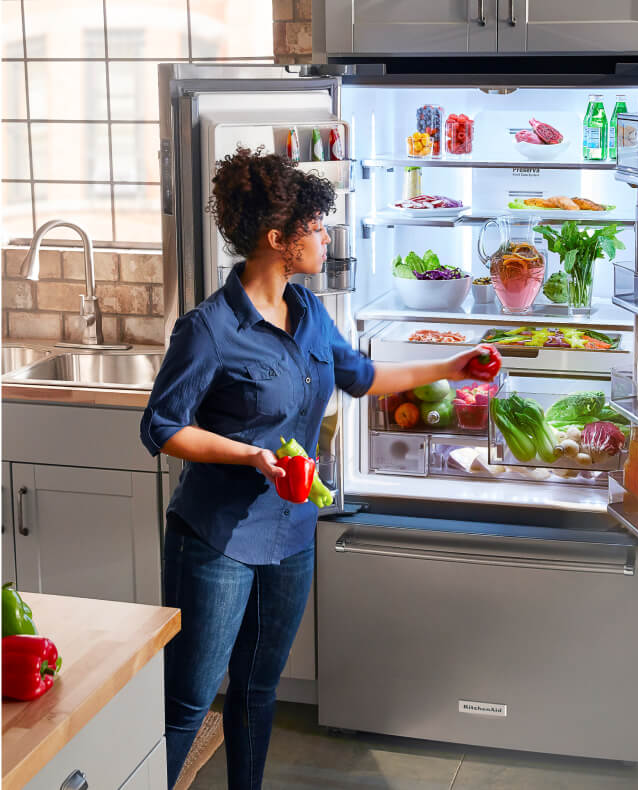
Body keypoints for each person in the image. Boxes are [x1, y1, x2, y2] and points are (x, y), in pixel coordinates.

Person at [140, 146, 485, 789]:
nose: (327, 238)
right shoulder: (208, 329)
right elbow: (161, 427)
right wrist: (251, 454)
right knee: (188, 702)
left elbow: (363, 376)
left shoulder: (310, 314)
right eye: (317, 227)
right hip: (216, 540)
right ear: (279, 239)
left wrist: (452, 365)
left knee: (256, 690)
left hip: (291, 534)